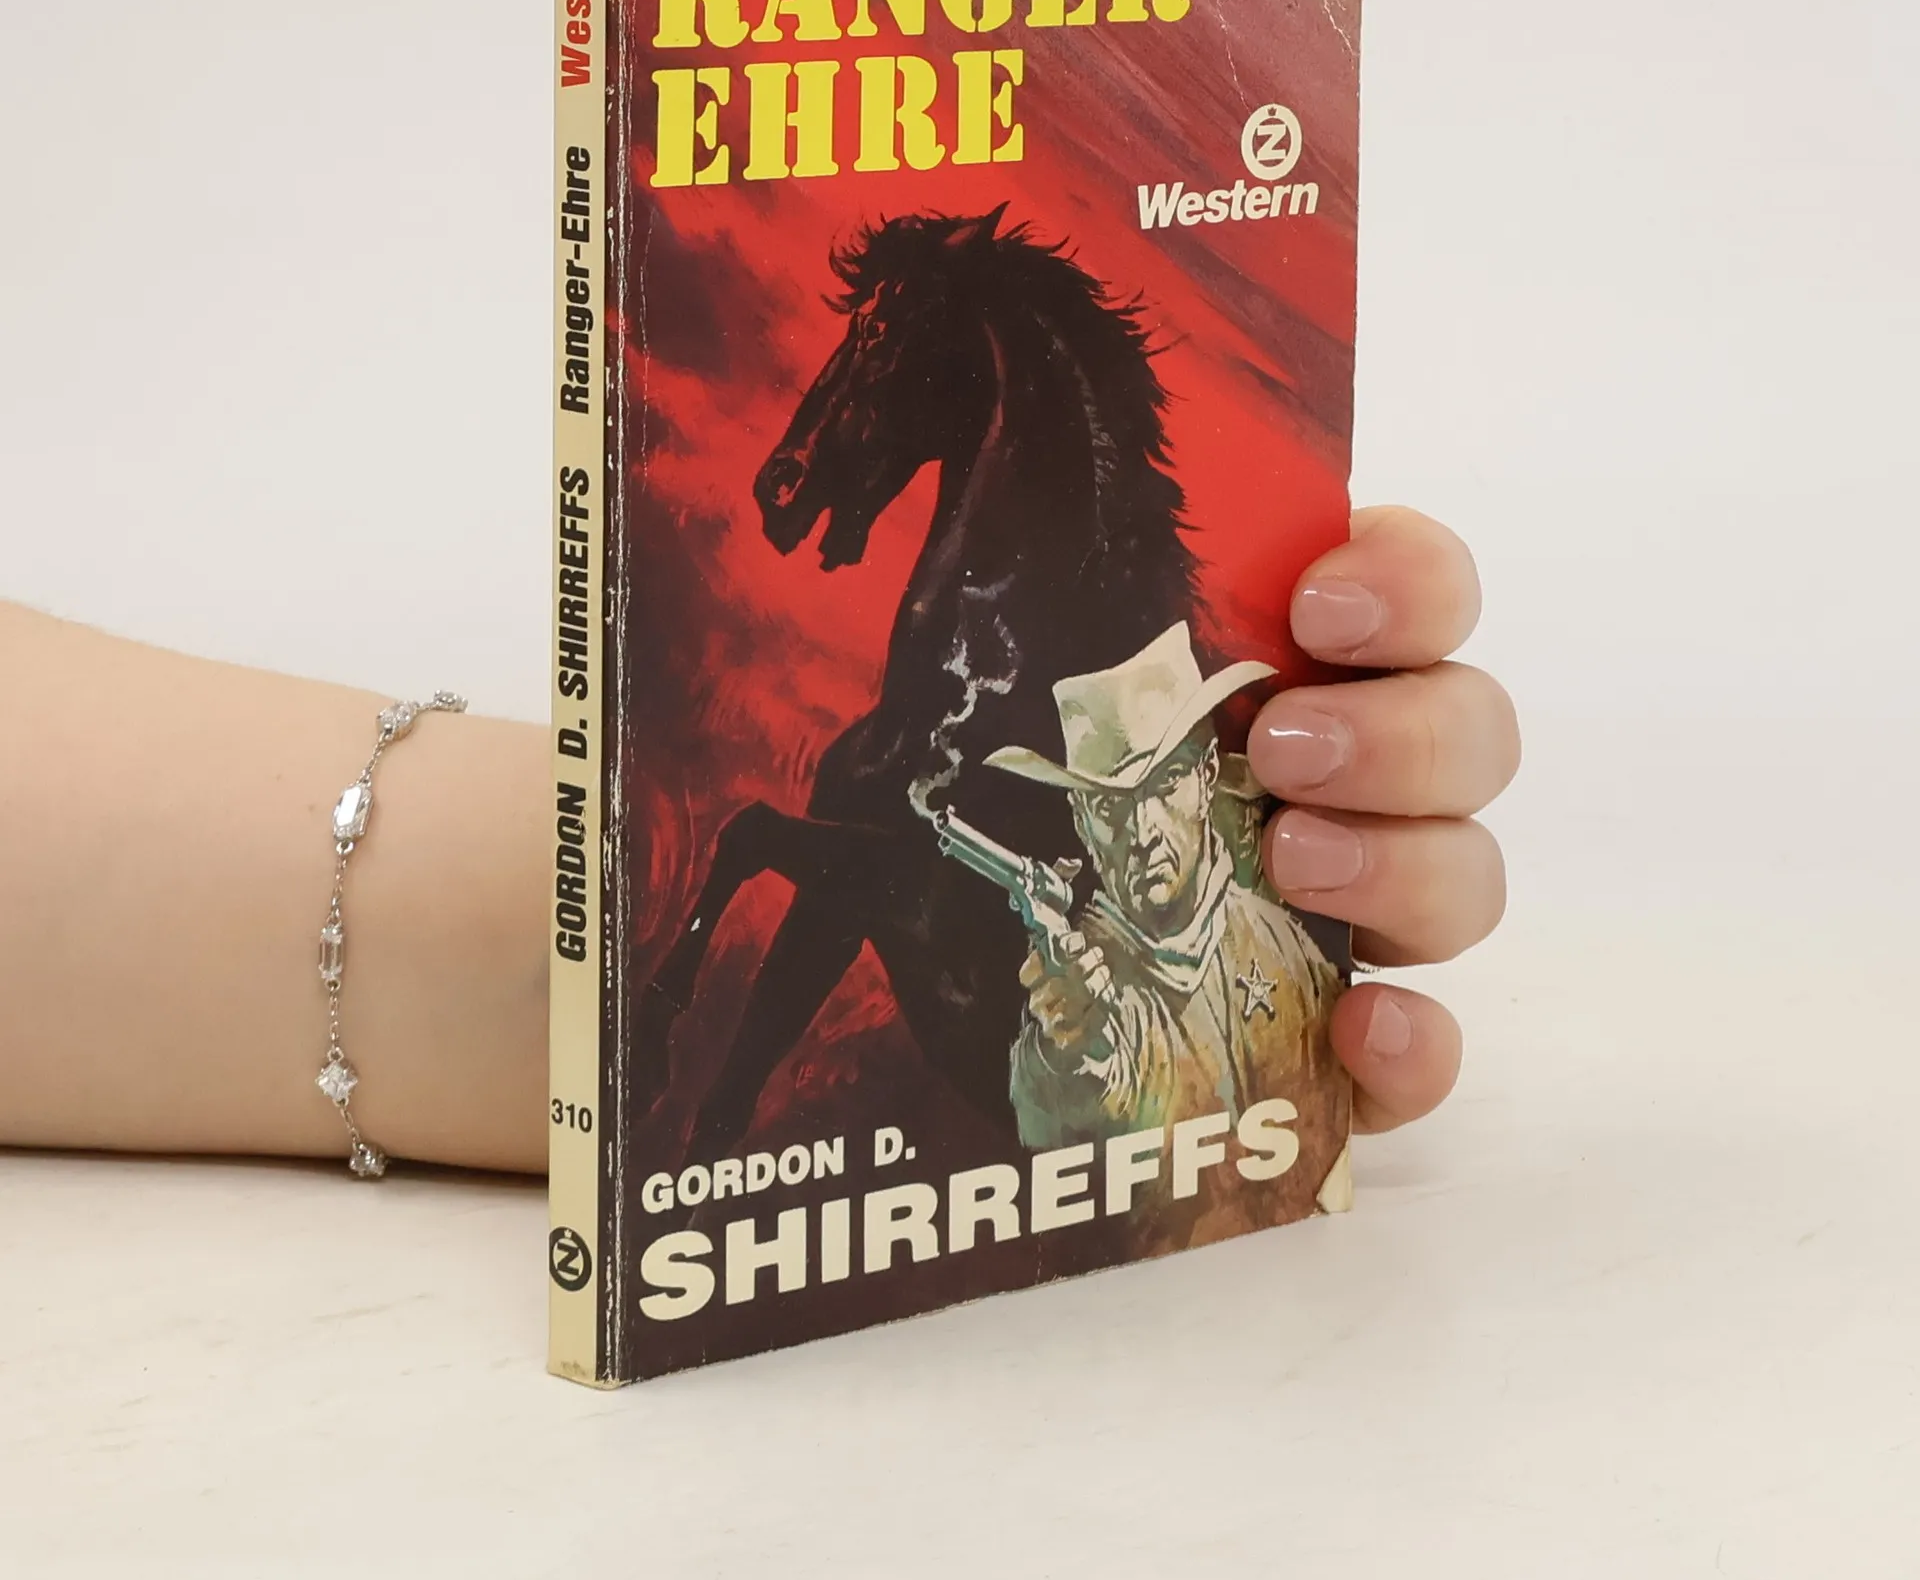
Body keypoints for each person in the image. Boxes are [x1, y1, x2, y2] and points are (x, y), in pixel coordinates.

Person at [0, 507, 1519, 1174]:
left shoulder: (1257, 936)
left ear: (1212, 786)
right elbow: (1059, 1116)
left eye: (1155, 795)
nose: (1134, 842)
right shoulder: (1077, 980)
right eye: (1100, 810)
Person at [989, 621, 1343, 1146]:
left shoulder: (1286, 948)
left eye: (1166, 782)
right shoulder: (1078, 977)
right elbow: (1053, 1110)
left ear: (1206, 776)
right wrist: (1070, 1047)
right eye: (1110, 806)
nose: (1143, 830)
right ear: (1082, 821)